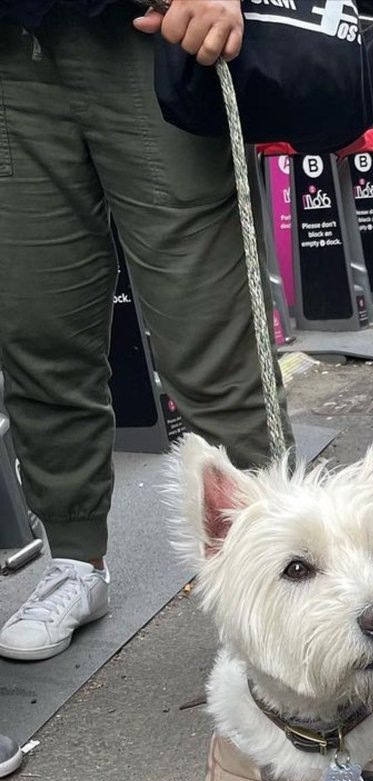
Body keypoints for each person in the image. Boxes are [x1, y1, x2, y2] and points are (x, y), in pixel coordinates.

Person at [0, 0, 295, 663]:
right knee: (37, 329)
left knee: (208, 338)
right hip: (13, 49)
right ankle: (77, 561)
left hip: (150, 34)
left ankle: (288, 573)